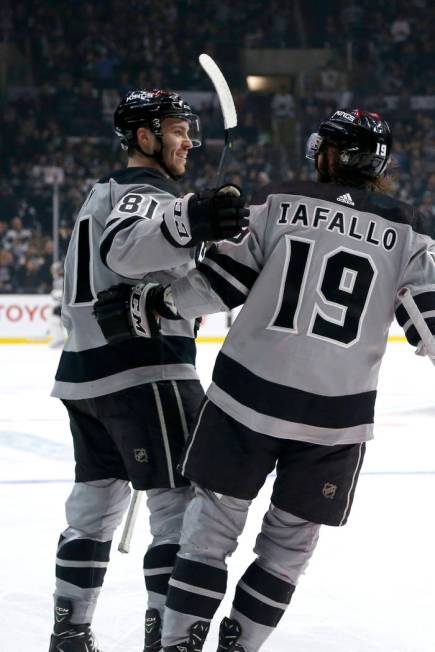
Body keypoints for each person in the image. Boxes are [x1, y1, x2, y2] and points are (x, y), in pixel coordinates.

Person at [103, 109, 435, 652]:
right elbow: (431, 325)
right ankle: (240, 645)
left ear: (329, 155)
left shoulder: (279, 203)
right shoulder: (412, 233)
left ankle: (179, 643)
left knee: (208, 533)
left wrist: (152, 302)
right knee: (288, 548)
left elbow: (215, 286)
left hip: (245, 400)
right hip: (335, 419)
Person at [48, 88, 248, 652]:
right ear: (144, 136)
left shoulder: (102, 192)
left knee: (91, 511)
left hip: (88, 376)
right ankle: (167, 642)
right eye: (178, 130)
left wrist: (199, 234)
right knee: (178, 512)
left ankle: (69, 635)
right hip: (146, 374)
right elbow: (124, 252)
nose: (189, 140)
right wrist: (192, 219)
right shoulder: (147, 191)